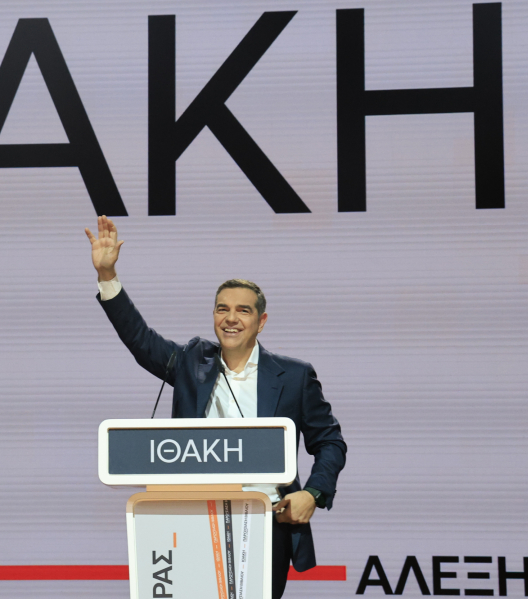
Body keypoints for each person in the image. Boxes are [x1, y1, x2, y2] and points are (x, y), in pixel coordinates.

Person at [85, 215, 347, 599]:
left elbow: (330, 442)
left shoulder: (294, 376)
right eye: (222, 309)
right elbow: (140, 340)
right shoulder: (191, 362)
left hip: (264, 519)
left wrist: (313, 493)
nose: (230, 318)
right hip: (191, 516)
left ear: (261, 321)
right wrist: (107, 275)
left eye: (243, 310)